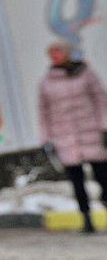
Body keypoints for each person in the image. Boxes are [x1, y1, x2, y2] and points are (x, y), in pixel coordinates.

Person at [38, 40, 107, 233]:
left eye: (58, 52)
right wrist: (46, 137)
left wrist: (104, 126)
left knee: (103, 176)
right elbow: (43, 112)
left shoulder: (86, 74)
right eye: (51, 53)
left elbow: (101, 99)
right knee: (77, 182)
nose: (54, 56)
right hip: (64, 137)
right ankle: (86, 219)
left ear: (67, 53)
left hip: (91, 132)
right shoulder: (46, 82)